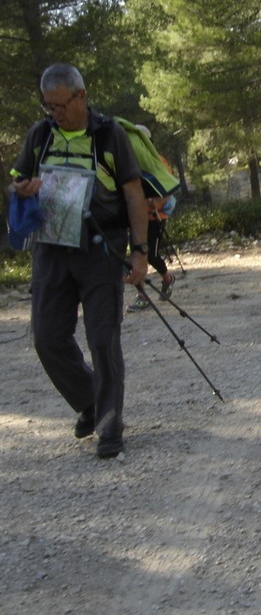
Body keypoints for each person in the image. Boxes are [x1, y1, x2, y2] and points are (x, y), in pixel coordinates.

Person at [8, 63, 149, 458]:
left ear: (81, 97)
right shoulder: (40, 135)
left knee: (103, 339)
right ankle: (89, 400)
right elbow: (16, 181)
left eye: (60, 105)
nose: (54, 112)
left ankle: (109, 427)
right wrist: (22, 189)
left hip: (100, 249)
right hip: (51, 248)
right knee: (47, 337)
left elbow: (134, 195)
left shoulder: (109, 135)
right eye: (48, 105)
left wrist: (139, 252)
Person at [126, 124, 176, 312]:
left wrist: (155, 203)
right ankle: (142, 296)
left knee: (152, 256)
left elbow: (169, 188)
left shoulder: (159, 162)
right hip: (136, 217)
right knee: (135, 256)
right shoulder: (129, 163)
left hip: (156, 215)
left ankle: (167, 279)